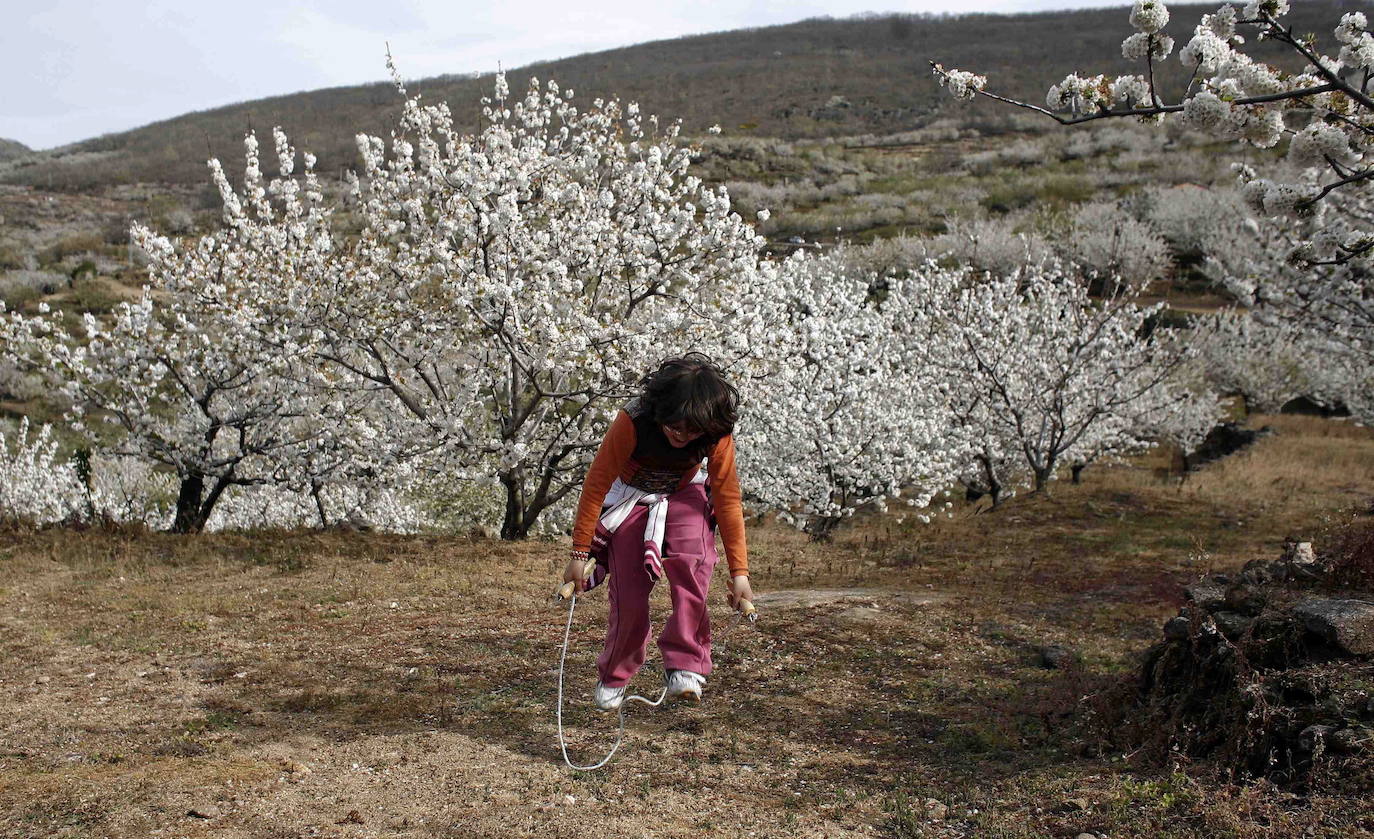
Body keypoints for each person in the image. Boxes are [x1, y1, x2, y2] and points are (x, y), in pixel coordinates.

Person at [563, 352, 754, 710]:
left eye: (692, 431)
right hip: (630, 496)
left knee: (695, 558)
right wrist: (579, 552)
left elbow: (727, 497)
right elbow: (597, 483)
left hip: (685, 490)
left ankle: (686, 663)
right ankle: (615, 673)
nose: (681, 436)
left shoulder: (715, 431)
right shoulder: (633, 419)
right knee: (630, 590)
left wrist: (739, 572)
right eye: (674, 427)